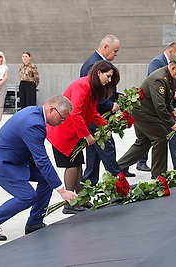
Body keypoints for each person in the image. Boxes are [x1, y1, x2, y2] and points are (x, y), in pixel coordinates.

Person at [0, 95, 78, 241]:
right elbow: (43, 160)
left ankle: (34, 223)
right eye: (62, 118)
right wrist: (62, 191)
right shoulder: (33, 123)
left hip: (14, 159)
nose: (62, 122)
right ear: (51, 110)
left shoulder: (34, 113)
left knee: (46, 179)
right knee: (27, 196)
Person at [47, 60, 120, 214]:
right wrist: (86, 135)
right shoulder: (83, 86)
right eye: (108, 76)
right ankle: (70, 202)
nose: (109, 80)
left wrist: (104, 124)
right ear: (99, 72)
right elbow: (75, 113)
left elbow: (92, 112)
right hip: (64, 132)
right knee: (72, 165)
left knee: (78, 164)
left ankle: (80, 199)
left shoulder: (92, 88)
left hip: (73, 133)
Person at [117, 53, 176, 180]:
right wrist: (172, 123)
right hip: (142, 112)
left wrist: (171, 110)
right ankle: (159, 174)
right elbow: (159, 105)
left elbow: (166, 98)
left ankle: (118, 168)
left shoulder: (168, 77)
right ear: (173, 67)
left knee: (143, 142)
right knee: (160, 137)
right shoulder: (159, 79)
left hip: (144, 111)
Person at [79, 35, 125, 186]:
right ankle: (119, 185)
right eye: (115, 51)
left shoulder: (99, 63)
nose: (116, 54)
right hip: (95, 118)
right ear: (106, 47)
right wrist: (109, 105)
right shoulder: (92, 65)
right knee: (108, 152)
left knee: (93, 158)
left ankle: (87, 187)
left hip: (96, 118)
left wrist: (117, 97)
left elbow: (105, 90)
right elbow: (94, 95)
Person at [136, 42, 176, 172]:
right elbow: (157, 89)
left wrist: (171, 108)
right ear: (171, 52)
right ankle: (145, 165)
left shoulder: (172, 65)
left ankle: (175, 162)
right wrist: (170, 98)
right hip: (150, 108)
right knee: (153, 138)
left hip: (162, 105)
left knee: (160, 136)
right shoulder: (157, 63)